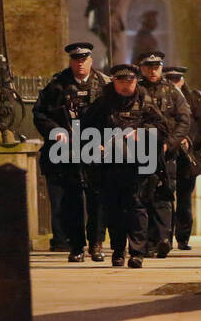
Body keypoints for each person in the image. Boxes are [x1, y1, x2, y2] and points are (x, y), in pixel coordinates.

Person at [82, 64, 168, 268]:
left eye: (129, 81)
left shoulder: (145, 102)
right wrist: (98, 144)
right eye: (121, 81)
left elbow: (163, 128)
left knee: (137, 207)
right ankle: (118, 251)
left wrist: (142, 133)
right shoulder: (103, 104)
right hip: (110, 165)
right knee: (114, 208)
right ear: (113, 81)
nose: (126, 86)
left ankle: (137, 252)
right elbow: (85, 130)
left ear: (135, 81)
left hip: (138, 164)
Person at [32, 41, 110, 263]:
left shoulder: (104, 85)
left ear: (91, 61)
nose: (80, 64)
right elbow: (39, 113)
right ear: (71, 62)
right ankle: (76, 246)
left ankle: (96, 244)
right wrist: (54, 131)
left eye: (84, 60)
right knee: (71, 201)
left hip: (96, 150)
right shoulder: (57, 86)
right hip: (66, 151)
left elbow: (115, 117)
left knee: (97, 200)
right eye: (76, 60)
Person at [136, 50, 191, 258]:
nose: (153, 70)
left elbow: (185, 120)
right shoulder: (136, 90)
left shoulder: (172, 92)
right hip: (141, 151)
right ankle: (148, 241)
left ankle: (163, 239)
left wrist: (170, 143)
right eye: (148, 66)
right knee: (144, 193)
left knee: (165, 193)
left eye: (156, 66)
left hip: (166, 152)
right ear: (141, 68)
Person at [165, 65, 201, 250]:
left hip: (189, 156)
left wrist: (190, 141)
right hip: (168, 153)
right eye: (170, 80)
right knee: (164, 197)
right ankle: (164, 238)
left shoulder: (193, 98)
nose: (174, 84)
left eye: (177, 79)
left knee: (184, 199)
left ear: (182, 80)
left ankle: (183, 238)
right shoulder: (160, 97)